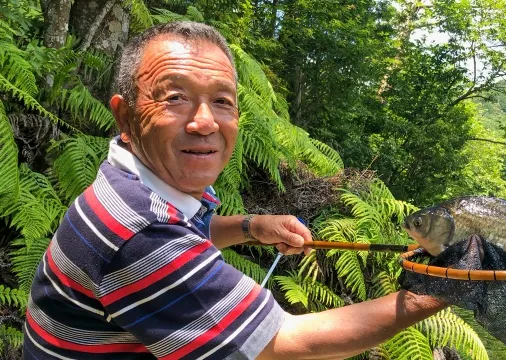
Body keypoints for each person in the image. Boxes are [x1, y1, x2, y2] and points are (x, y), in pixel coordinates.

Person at [23, 21, 446, 360]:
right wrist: (444, 288)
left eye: (223, 101)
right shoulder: (138, 231)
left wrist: (251, 226)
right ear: (126, 116)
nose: (205, 122)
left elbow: (188, 233)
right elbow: (282, 345)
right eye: (175, 97)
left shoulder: (131, 183)